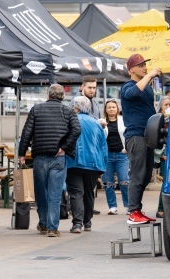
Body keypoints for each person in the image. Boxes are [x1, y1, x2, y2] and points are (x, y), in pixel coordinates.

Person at [18, 84, 81, 238]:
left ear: (48, 95)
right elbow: (77, 129)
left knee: (41, 192)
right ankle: (53, 228)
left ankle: (44, 223)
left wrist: (21, 153)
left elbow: (27, 132)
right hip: (58, 157)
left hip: (39, 156)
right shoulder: (68, 111)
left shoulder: (36, 109)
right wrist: (64, 147)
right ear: (62, 97)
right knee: (55, 192)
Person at [121, 53, 162, 225]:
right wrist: (150, 75)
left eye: (145, 65)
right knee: (137, 175)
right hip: (135, 135)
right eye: (140, 65)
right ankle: (132, 212)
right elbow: (133, 93)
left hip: (147, 136)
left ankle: (137, 209)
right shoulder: (127, 86)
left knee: (145, 176)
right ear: (131, 70)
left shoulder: (147, 87)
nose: (144, 67)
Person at [66, 96, 108, 233]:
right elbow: (103, 146)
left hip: (74, 162)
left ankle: (77, 223)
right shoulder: (96, 123)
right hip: (93, 164)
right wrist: (103, 165)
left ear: (76, 107)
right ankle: (87, 222)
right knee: (89, 193)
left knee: (76, 193)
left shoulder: (71, 121)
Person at [102, 99, 129, 215]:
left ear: (117, 109)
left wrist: (127, 147)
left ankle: (128, 206)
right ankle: (112, 206)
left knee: (124, 181)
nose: (111, 109)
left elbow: (128, 135)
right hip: (107, 155)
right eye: (109, 107)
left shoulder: (123, 121)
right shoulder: (101, 122)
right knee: (108, 182)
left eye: (113, 107)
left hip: (121, 154)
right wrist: (101, 127)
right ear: (105, 110)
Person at [155, 96, 170, 219]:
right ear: (161, 107)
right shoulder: (158, 120)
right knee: (166, 182)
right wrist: (162, 154)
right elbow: (155, 140)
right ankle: (161, 208)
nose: (168, 107)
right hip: (164, 155)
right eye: (166, 104)